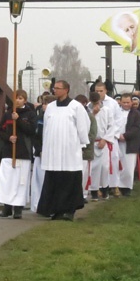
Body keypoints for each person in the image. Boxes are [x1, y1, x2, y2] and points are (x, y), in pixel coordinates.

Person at [37, 80, 90, 221]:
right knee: (54, 179)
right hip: (53, 150)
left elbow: (83, 127)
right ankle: (55, 209)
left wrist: (82, 143)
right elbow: (47, 127)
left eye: (59, 88)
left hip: (69, 150)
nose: (55, 91)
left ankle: (68, 210)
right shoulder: (50, 107)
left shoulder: (76, 107)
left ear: (66, 90)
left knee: (69, 179)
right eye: (55, 88)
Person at [0, 90, 36, 219]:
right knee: (8, 181)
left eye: (21, 98)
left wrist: (19, 120)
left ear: (25, 100)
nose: (18, 100)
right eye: (16, 98)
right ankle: (7, 207)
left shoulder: (30, 114)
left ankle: (18, 208)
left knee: (20, 182)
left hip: (23, 152)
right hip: (9, 152)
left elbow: (31, 130)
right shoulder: (7, 115)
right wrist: (8, 137)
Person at [94, 82, 121, 198]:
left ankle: (113, 185)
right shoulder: (91, 104)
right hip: (96, 139)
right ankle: (98, 187)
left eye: (101, 91)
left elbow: (117, 121)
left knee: (112, 162)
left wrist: (109, 137)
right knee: (97, 164)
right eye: (97, 91)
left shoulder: (113, 103)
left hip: (110, 138)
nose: (99, 93)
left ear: (106, 91)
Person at [30, 94, 55, 212]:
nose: (44, 106)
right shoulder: (40, 118)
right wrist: (39, 150)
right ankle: (38, 205)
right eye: (43, 103)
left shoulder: (56, 119)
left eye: (46, 103)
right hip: (41, 154)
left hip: (53, 155)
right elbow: (35, 136)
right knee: (39, 181)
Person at [117, 94, 140, 197]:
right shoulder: (116, 112)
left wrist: (125, 136)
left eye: (128, 102)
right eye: (124, 102)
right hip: (117, 141)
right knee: (116, 165)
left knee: (128, 167)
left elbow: (137, 128)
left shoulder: (137, 114)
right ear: (120, 102)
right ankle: (115, 186)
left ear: (131, 102)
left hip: (130, 143)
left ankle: (126, 187)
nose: (126, 104)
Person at [88, 91, 110, 202]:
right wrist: (93, 113)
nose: (96, 105)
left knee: (105, 167)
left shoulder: (106, 110)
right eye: (94, 102)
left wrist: (105, 139)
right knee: (94, 168)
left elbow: (111, 126)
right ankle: (94, 192)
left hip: (103, 141)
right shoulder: (87, 110)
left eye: (97, 102)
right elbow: (86, 124)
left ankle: (105, 189)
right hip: (92, 142)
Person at [75, 94, 97, 202]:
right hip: (74, 150)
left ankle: (83, 194)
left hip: (85, 151)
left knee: (84, 174)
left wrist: (83, 144)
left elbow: (92, 134)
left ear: (84, 104)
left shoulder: (90, 116)